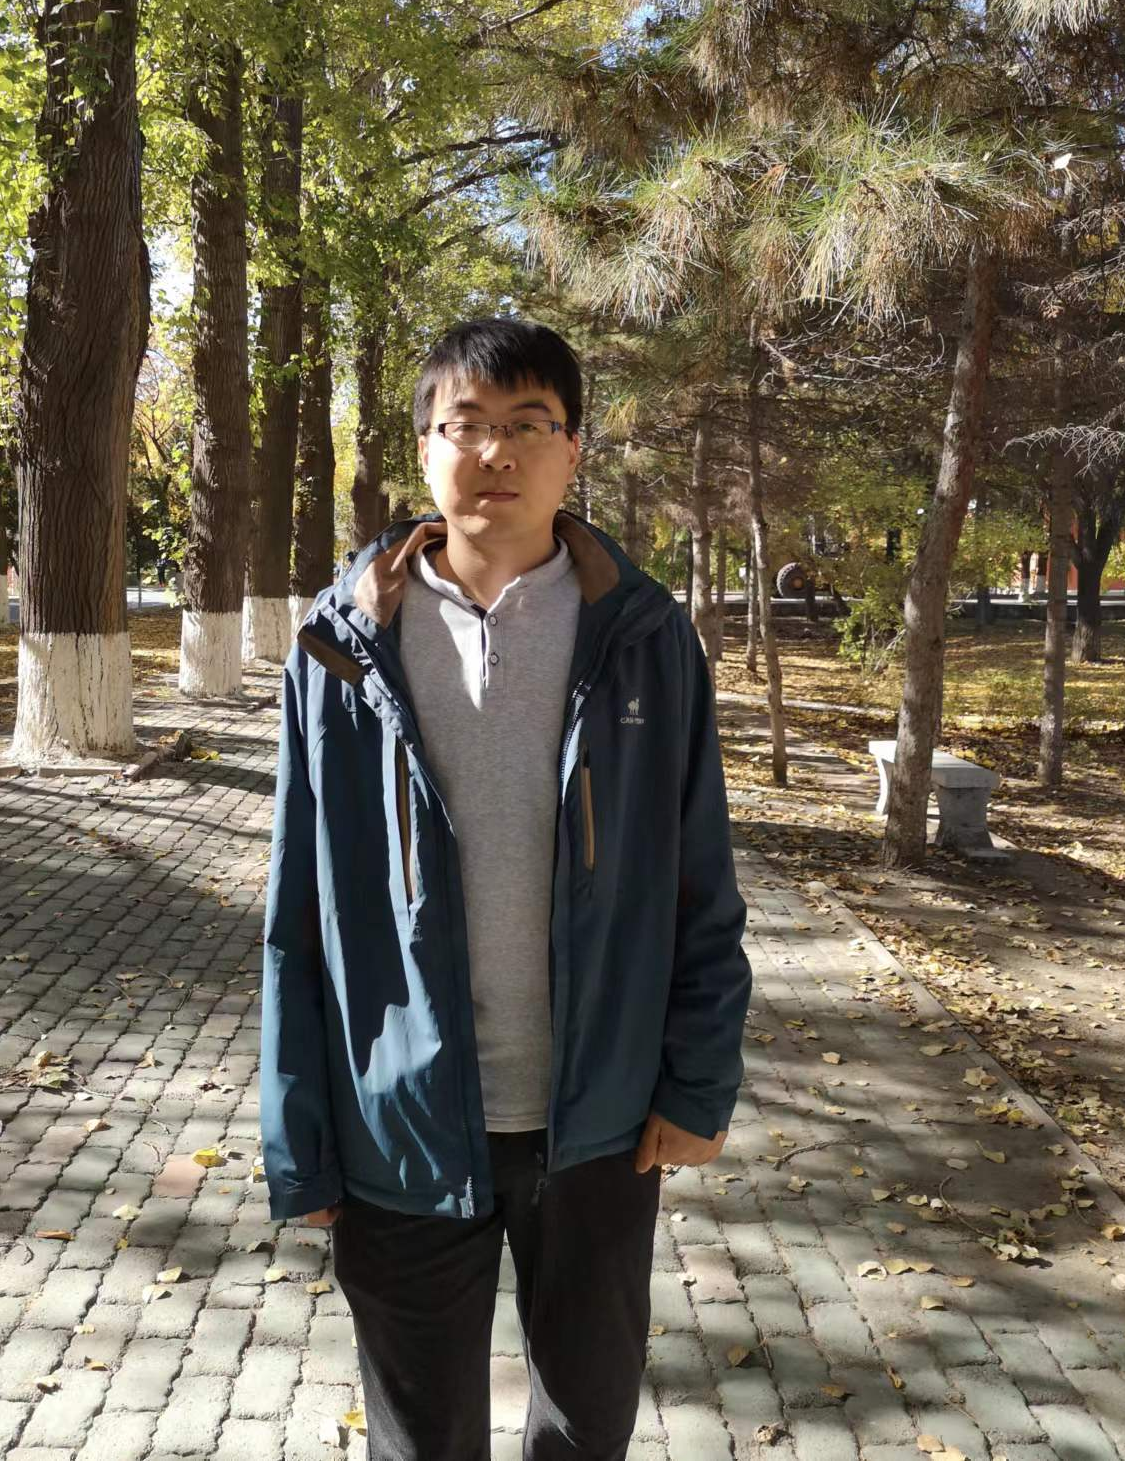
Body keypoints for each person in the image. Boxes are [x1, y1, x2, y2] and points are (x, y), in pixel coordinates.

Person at [260, 316, 752, 1461]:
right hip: (397, 1121)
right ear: (423, 448)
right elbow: (294, 914)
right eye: (466, 424)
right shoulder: (341, 647)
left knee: (583, 1429)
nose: (496, 452)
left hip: (599, 1124)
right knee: (419, 1438)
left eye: (528, 423)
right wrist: (300, 1136)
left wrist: (698, 1082)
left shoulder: (644, 638)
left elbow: (701, 882)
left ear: (572, 448)